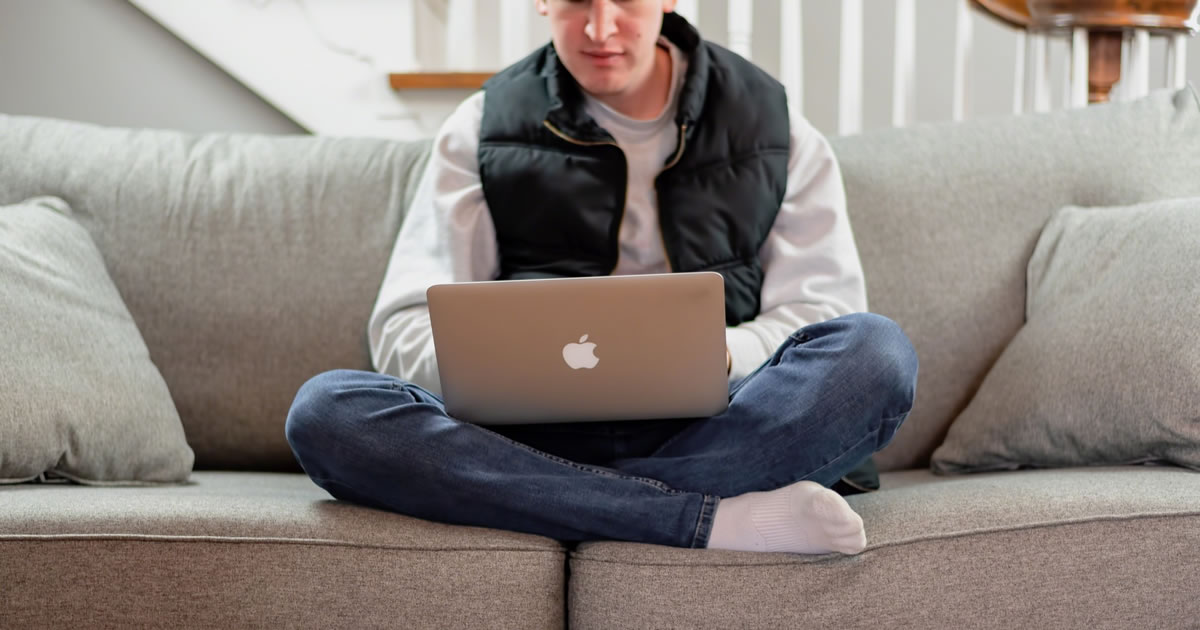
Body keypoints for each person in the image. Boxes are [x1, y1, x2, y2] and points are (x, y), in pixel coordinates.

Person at [285, 0, 918, 555]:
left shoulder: (774, 127)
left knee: (878, 354)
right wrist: (509, 364)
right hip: (523, 436)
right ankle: (710, 518)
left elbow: (823, 310)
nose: (601, 26)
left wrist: (723, 353)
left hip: (717, 424)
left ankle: (563, 502)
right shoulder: (480, 127)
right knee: (325, 412)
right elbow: (401, 329)